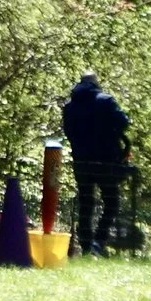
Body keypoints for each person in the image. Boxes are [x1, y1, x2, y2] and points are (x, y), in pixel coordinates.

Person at [59, 74, 130, 255]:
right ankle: (99, 242)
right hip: (106, 160)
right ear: (95, 83)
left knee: (86, 202)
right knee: (112, 202)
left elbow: (68, 132)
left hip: (81, 161)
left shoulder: (69, 107)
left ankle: (85, 245)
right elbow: (123, 122)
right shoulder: (105, 101)